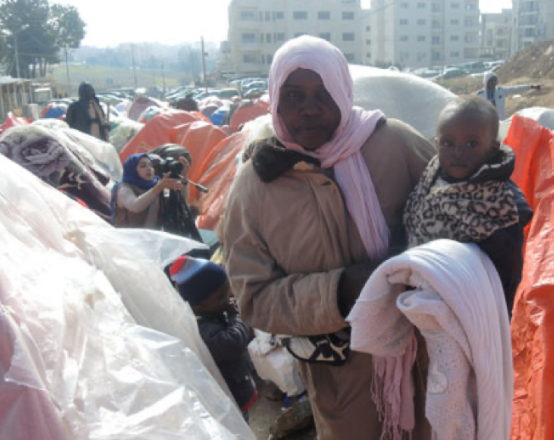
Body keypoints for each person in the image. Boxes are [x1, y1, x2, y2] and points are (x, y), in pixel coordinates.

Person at [222, 35, 436, 440]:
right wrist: (340, 290)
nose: (309, 107)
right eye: (294, 94)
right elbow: (253, 296)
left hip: (422, 360)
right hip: (340, 382)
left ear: (343, 91)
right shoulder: (255, 186)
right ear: (275, 99)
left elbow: (459, 224)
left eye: (322, 93)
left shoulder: (398, 145)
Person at [404, 96, 533, 315]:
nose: (458, 151)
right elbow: (411, 222)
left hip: (470, 312)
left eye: (471, 143)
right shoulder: (431, 178)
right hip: (415, 300)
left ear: (492, 149)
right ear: (437, 143)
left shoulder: (499, 204)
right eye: (448, 142)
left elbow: (505, 274)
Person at [169, 256, 258, 422]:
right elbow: (231, 344)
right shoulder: (203, 328)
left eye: (227, 292)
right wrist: (235, 315)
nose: (228, 299)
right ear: (197, 306)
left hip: (237, 387)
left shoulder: (213, 313)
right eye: (220, 297)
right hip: (230, 398)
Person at [110, 153, 184, 228]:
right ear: (132, 170)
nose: (149, 169)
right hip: (125, 238)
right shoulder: (124, 188)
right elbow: (135, 206)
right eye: (143, 166)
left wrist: (183, 179)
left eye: (151, 165)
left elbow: (181, 202)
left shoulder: (157, 185)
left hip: (151, 238)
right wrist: (159, 187)